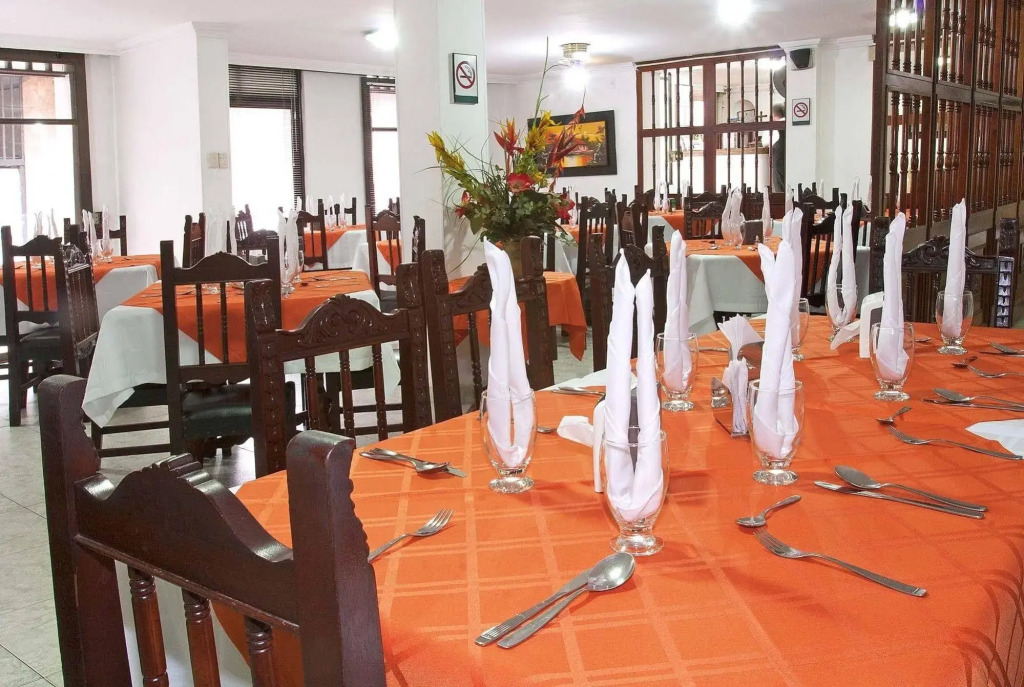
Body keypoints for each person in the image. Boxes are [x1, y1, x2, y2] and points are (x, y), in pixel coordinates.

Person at [771, 103, 786, 193]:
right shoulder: (788, 122)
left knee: (780, 188)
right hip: (787, 160)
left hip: (778, 159)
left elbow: (765, 142)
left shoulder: (775, 126)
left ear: (773, 114)